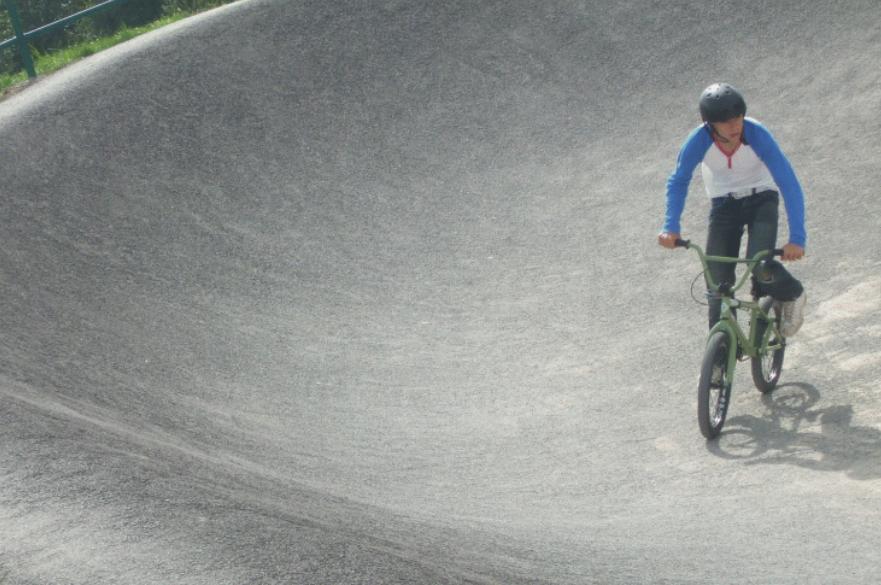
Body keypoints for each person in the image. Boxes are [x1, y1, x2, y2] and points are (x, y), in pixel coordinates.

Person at [658, 82, 807, 336]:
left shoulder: (757, 134)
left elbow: (788, 181)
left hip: (762, 199)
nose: (735, 126)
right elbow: (679, 180)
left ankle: (793, 293)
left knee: (759, 265)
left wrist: (797, 239)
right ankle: (718, 358)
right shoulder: (698, 140)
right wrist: (671, 227)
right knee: (716, 281)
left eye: (738, 117)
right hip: (724, 205)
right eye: (726, 121)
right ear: (710, 124)